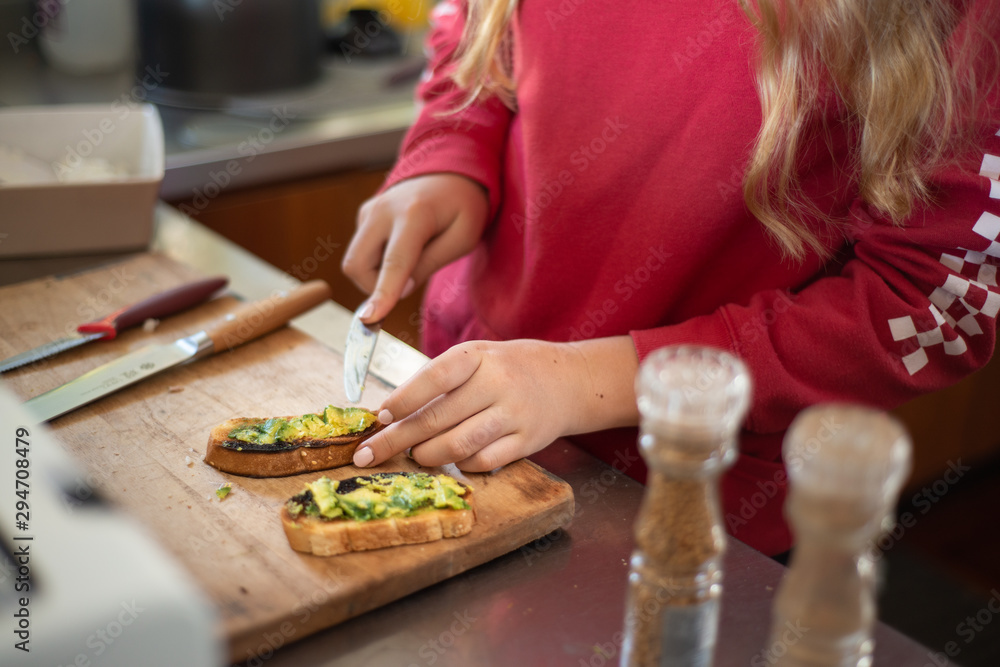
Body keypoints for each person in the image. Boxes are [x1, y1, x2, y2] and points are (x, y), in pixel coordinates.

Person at [341, 0, 1000, 555]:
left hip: (693, 508)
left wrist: (585, 381)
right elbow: (471, 24)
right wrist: (449, 154)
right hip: (467, 408)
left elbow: (927, 306)